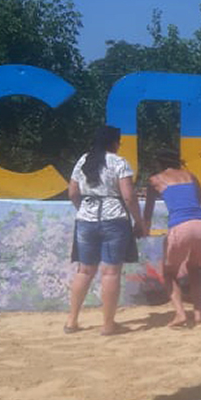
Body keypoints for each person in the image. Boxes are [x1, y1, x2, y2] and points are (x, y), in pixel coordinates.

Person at [65, 125, 145, 335]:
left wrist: (83, 210)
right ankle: (108, 325)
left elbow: (72, 193)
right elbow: (128, 197)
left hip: (86, 218)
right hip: (114, 219)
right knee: (110, 272)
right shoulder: (119, 162)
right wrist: (139, 221)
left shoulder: (83, 160)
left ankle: (72, 321)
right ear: (114, 142)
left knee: (84, 270)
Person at [143, 147, 201, 328]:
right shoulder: (190, 176)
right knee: (194, 268)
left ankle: (180, 314)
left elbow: (148, 214)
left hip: (180, 226)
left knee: (169, 273)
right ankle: (198, 313)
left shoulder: (155, 180)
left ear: (159, 163)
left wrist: (143, 230)